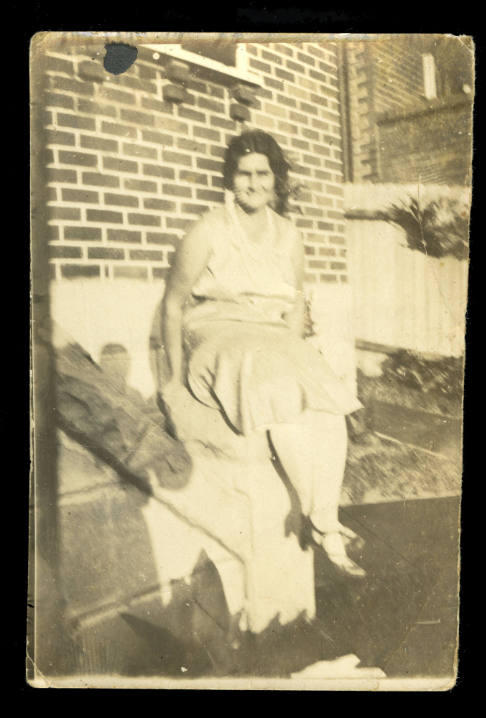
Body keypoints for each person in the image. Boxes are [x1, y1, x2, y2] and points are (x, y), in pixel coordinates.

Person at [159, 130, 365, 578]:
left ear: (276, 179)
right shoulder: (208, 230)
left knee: (324, 398)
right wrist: (173, 380)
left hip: (270, 336)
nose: (253, 183)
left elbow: (293, 307)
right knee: (269, 380)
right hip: (217, 333)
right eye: (243, 174)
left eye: (262, 174)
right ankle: (321, 520)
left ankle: (325, 520)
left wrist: (299, 353)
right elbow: (174, 303)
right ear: (230, 180)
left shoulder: (289, 236)